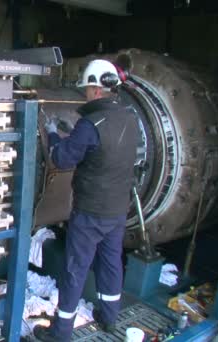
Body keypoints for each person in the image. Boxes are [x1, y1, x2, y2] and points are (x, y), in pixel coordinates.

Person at [34, 59, 140, 342]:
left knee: (75, 269)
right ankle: (109, 317)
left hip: (90, 212)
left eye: (87, 88)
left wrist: (55, 134)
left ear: (95, 89)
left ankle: (61, 331)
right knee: (111, 263)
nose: (85, 94)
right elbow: (106, 151)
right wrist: (75, 137)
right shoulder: (130, 118)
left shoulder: (91, 123)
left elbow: (61, 158)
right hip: (117, 210)